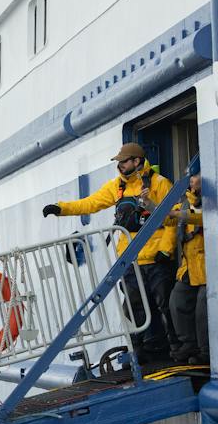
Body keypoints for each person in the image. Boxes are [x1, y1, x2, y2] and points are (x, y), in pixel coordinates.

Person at [42, 142, 177, 363]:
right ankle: (140, 353)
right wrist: (61, 208)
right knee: (133, 308)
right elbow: (90, 204)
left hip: (156, 258)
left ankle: (175, 351)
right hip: (130, 259)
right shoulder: (117, 187)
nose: (120, 166)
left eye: (124, 161)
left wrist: (166, 249)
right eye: (119, 162)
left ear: (136, 161)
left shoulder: (159, 184)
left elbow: (173, 218)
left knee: (165, 305)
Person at [168, 173, 208, 364]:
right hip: (189, 267)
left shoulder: (212, 202)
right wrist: (148, 203)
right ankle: (188, 344)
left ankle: (206, 351)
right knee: (177, 302)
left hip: (210, 267)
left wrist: (175, 214)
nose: (193, 183)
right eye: (191, 181)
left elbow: (199, 218)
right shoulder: (184, 204)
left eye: (197, 180)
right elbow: (165, 217)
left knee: (203, 307)